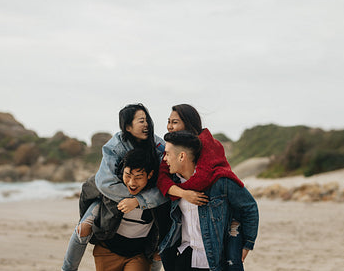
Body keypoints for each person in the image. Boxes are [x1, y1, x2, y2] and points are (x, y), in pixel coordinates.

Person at [61, 104, 168, 271]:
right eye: (141, 120)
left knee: (161, 245)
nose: (146, 124)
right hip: (111, 195)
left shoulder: (159, 147)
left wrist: (141, 201)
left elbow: (166, 184)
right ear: (128, 126)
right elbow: (105, 183)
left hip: (150, 196)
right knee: (83, 228)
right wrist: (133, 198)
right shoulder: (116, 145)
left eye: (147, 119)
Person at [157, 104, 248, 270]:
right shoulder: (173, 148)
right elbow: (161, 179)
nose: (169, 126)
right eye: (168, 121)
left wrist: (247, 243)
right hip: (186, 250)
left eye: (175, 122)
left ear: (188, 123)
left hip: (217, 246)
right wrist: (183, 193)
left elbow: (202, 180)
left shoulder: (208, 145)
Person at [80, 148, 170, 271]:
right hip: (107, 250)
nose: (132, 182)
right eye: (128, 175)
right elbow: (87, 189)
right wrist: (86, 221)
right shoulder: (111, 186)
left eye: (138, 177)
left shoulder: (156, 196)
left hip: (138, 255)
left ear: (150, 175)